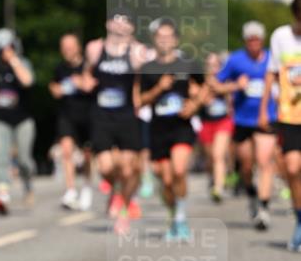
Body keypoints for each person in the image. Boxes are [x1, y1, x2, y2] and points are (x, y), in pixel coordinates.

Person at [134, 19, 205, 240]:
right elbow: (139, 101)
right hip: (158, 130)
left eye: (168, 37)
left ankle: (181, 219)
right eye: (160, 37)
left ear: (176, 40)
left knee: (179, 170)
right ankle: (173, 215)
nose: (164, 41)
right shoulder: (147, 69)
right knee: (165, 181)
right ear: (155, 40)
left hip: (181, 127)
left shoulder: (188, 64)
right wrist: (158, 88)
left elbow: (206, 86)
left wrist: (195, 105)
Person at [84, 13, 148, 234]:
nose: (119, 26)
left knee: (128, 168)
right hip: (101, 115)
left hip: (127, 115)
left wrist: (141, 98)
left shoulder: (138, 51)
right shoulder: (94, 48)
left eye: (125, 22)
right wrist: (85, 82)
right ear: (107, 24)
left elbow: (142, 78)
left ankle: (123, 212)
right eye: (116, 21)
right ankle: (116, 191)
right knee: (106, 167)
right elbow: (88, 74)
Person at [213, 22, 277, 230]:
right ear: (245, 41)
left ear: (263, 39)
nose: (254, 43)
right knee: (247, 165)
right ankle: (251, 194)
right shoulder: (235, 60)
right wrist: (234, 86)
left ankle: (264, 209)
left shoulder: (271, 58)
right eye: (250, 39)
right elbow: (215, 84)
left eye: (257, 39)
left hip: (266, 118)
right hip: (242, 120)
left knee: (264, 161)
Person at [261, 0, 301, 250]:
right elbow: (271, 73)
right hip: (289, 114)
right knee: (293, 168)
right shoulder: (280, 36)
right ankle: (300, 220)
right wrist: (263, 109)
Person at [0, 29, 36, 215]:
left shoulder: (23, 63)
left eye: (9, 47)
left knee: (24, 160)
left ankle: (28, 184)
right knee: (1, 156)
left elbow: (28, 81)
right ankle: (3, 196)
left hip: (23, 120)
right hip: (0, 119)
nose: (5, 51)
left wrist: (13, 61)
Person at [48, 32, 93, 211]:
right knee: (66, 150)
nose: (67, 50)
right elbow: (54, 87)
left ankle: (87, 186)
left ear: (78, 47)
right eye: (64, 47)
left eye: (70, 46)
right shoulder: (60, 68)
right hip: (67, 115)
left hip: (88, 115)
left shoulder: (88, 65)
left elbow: (92, 85)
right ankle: (71, 190)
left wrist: (81, 83)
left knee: (87, 154)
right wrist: (57, 88)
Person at [197, 52, 233, 202]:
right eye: (210, 66)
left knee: (218, 155)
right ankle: (213, 179)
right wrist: (206, 90)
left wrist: (219, 87)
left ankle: (219, 188)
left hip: (223, 122)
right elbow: (198, 100)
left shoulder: (225, 80)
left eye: (216, 65)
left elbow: (230, 93)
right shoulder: (200, 82)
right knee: (210, 157)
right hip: (206, 123)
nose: (213, 69)